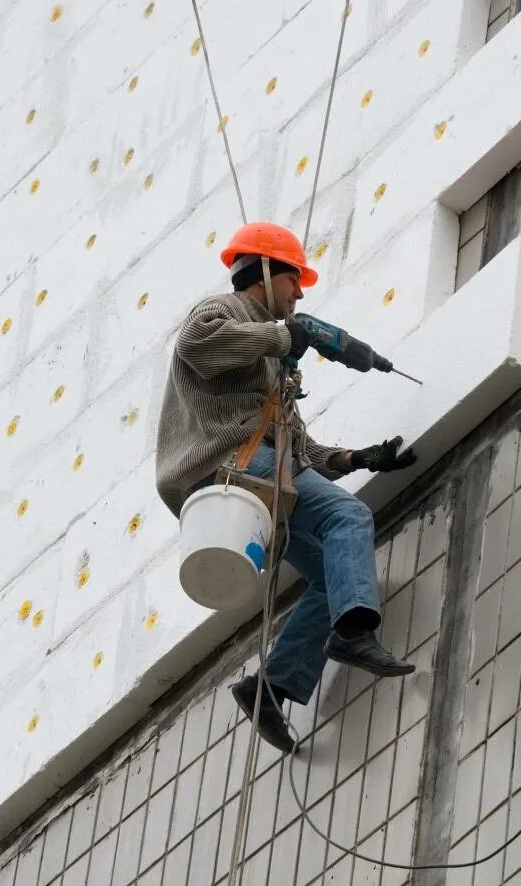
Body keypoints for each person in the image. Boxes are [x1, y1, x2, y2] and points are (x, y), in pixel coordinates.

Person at [155, 221, 417, 752]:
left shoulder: (275, 361)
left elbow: (296, 447)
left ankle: (270, 689)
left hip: (260, 481)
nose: (299, 294)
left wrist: (357, 457)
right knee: (349, 519)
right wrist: (286, 336)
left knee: (329, 578)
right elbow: (197, 345)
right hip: (233, 467)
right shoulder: (222, 313)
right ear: (267, 271)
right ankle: (354, 634)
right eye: (295, 280)